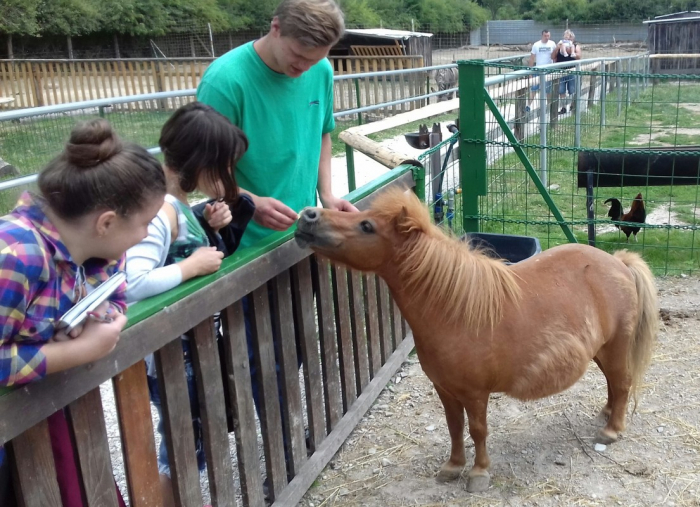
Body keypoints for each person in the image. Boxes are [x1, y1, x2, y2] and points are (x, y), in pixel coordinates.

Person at [0, 119, 166, 507]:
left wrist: (107, 313)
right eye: (145, 224)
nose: (146, 235)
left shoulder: (96, 249)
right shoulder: (16, 257)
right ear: (106, 222)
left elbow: (116, 291)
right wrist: (82, 351)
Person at [125, 101, 251, 507]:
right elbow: (130, 283)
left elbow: (174, 250)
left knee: (192, 435)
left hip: (187, 347)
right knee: (182, 442)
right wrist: (192, 267)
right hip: (171, 354)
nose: (228, 178)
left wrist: (208, 226)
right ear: (201, 163)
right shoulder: (160, 212)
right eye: (223, 168)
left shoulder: (175, 206)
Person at [196, 0, 358, 251]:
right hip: (244, 243)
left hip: (303, 232)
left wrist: (326, 194)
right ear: (276, 27)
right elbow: (207, 172)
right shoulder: (225, 81)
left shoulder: (322, 70)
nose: (304, 68)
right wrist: (251, 202)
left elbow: (322, 133)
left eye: (314, 60)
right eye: (298, 55)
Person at [526, 29, 557, 112]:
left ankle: (549, 106)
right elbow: (532, 58)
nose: (547, 37)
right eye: (545, 36)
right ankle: (528, 105)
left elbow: (554, 56)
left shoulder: (552, 44)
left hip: (548, 70)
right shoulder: (536, 45)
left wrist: (555, 67)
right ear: (542, 35)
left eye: (548, 36)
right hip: (538, 69)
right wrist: (530, 72)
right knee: (534, 89)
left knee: (548, 89)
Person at [553, 30, 582, 115]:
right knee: (561, 90)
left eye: (569, 37)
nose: (568, 38)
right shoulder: (561, 44)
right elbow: (552, 56)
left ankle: (573, 106)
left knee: (572, 90)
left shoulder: (575, 46)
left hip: (571, 70)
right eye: (566, 36)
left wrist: (571, 52)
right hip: (560, 71)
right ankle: (564, 107)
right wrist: (557, 48)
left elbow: (579, 56)